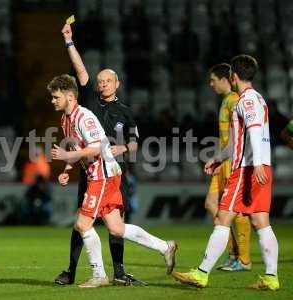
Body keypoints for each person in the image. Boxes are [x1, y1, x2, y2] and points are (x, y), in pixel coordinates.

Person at [48, 74, 177, 288]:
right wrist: (68, 168)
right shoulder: (65, 119)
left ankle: (99, 275)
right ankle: (166, 247)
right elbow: (77, 149)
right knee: (116, 228)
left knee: (82, 224)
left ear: (70, 96)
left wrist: (68, 157)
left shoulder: (84, 117)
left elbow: (97, 147)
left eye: (55, 97)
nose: (52, 101)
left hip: (103, 174)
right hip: (101, 174)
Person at [172, 55, 280, 290]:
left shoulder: (246, 101)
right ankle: (271, 277)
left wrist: (257, 163)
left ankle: (201, 273)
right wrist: (218, 158)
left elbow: (252, 131)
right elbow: (235, 142)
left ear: (234, 76)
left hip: (248, 170)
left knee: (222, 218)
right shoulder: (257, 99)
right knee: (261, 221)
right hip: (259, 167)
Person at [55, 23, 144, 286]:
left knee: (116, 224)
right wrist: (69, 42)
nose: (103, 84)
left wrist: (124, 148)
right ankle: (71, 270)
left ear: (117, 83)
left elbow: (136, 144)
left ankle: (118, 272)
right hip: (90, 169)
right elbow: (81, 69)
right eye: (101, 80)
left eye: (108, 81)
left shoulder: (126, 112)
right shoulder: (90, 101)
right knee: (81, 220)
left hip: (116, 170)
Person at [206, 63, 252, 271]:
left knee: (237, 211)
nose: (210, 84)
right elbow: (226, 138)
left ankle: (243, 259)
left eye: (213, 80)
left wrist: (224, 159)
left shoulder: (234, 101)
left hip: (234, 162)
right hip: (224, 161)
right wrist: (218, 158)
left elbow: (239, 137)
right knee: (211, 204)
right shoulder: (226, 101)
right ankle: (234, 253)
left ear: (225, 80)